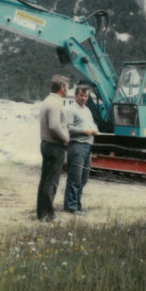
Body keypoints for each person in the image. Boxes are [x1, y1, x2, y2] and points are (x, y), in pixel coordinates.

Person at [36, 74, 70, 222]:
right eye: (67, 87)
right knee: (52, 182)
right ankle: (48, 215)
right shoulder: (55, 104)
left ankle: (42, 213)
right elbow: (54, 126)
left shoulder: (47, 101)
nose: (68, 89)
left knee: (45, 180)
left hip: (46, 144)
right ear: (62, 88)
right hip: (55, 146)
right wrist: (66, 139)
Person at [64, 85, 98, 214]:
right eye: (81, 95)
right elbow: (68, 128)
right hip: (77, 146)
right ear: (75, 95)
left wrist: (94, 129)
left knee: (83, 178)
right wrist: (84, 131)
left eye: (86, 96)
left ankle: (76, 204)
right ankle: (71, 207)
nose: (84, 98)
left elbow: (91, 123)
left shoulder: (87, 110)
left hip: (87, 146)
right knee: (75, 178)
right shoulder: (71, 109)